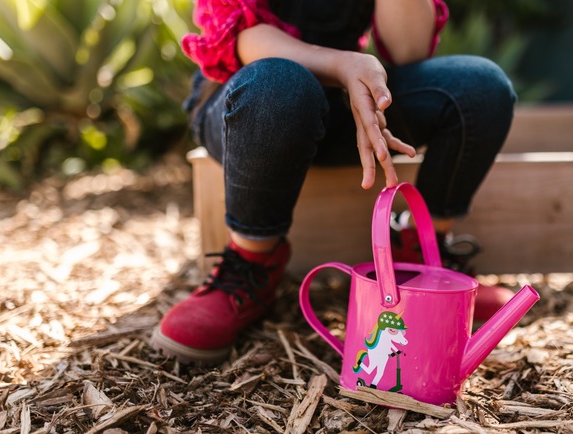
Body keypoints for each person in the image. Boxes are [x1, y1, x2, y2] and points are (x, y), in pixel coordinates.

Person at [151, 0, 518, 365]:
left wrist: (352, 73)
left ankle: (423, 257)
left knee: (479, 87)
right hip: (249, 102)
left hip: (346, 95)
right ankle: (252, 263)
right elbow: (242, 39)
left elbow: (410, 51)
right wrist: (342, 64)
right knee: (280, 82)